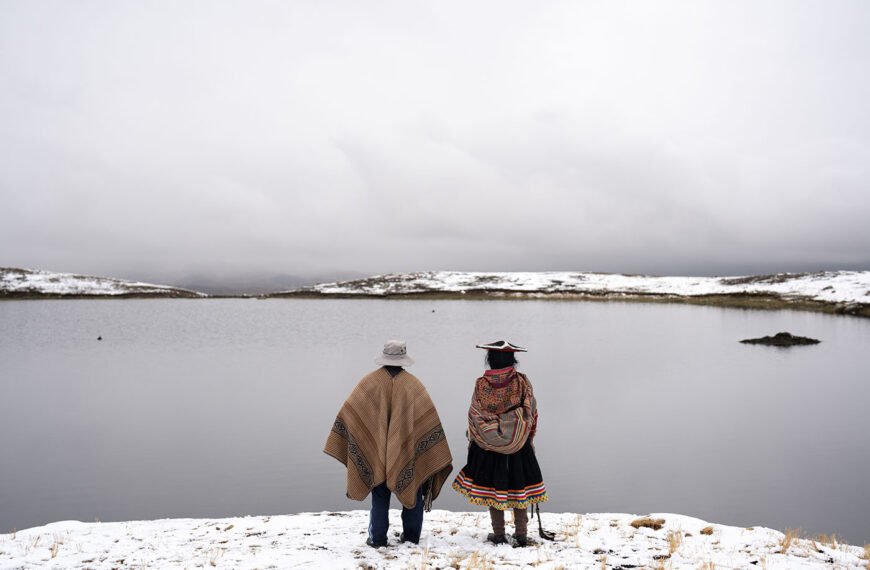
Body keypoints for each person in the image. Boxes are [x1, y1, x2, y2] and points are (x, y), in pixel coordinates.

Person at [324, 340, 453, 548]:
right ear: (403, 359)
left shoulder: (368, 383)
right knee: (413, 488)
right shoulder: (414, 386)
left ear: (384, 357)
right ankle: (411, 538)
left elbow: (350, 414)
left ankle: (377, 539)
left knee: (380, 492)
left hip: (376, 454)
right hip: (408, 452)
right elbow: (428, 423)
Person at [452, 340, 548, 547]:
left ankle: (498, 534)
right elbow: (531, 413)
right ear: (513, 360)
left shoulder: (481, 384)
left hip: (487, 448)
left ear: (490, 360)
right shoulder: (522, 382)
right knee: (519, 487)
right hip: (519, 445)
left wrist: (482, 436)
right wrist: (527, 437)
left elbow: (474, 414)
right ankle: (521, 535)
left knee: (493, 488)